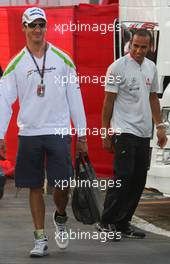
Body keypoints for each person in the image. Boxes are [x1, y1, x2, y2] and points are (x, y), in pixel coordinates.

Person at [0, 7, 88, 257]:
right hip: (29, 133)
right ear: (24, 28)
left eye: (41, 25)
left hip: (59, 131)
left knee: (61, 185)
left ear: (46, 27)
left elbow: (75, 98)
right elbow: (3, 101)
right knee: (34, 186)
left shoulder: (63, 59)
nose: (37, 29)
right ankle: (40, 238)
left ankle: (60, 216)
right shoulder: (15, 64)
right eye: (32, 25)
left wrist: (81, 136)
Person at [97, 29, 167, 239]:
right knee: (123, 176)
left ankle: (123, 223)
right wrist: (105, 132)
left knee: (138, 180)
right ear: (130, 44)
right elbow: (108, 102)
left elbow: (153, 97)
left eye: (143, 47)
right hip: (123, 130)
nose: (138, 50)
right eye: (135, 45)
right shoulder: (117, 67)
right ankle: (106, 222)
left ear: (150, 47)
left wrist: (160, 126)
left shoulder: (151, 67)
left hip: (144, 133)